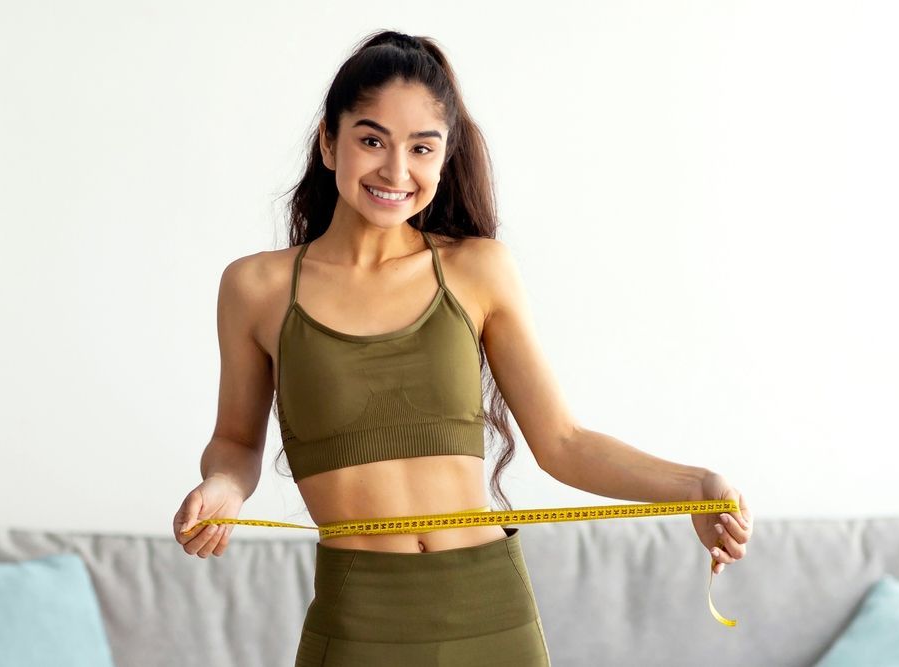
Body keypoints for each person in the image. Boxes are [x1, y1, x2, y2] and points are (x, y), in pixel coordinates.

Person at [172, 29, 753, 666]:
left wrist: (695, 485)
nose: (396, 171)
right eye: (372, 140)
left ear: (444, 158)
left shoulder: (478, 270)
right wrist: (223, 488)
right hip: (360, 613)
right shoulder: (255, 287)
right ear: (329, 143)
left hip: (491, 612)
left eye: (422, 148)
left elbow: (563, 443)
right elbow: (235, 441)